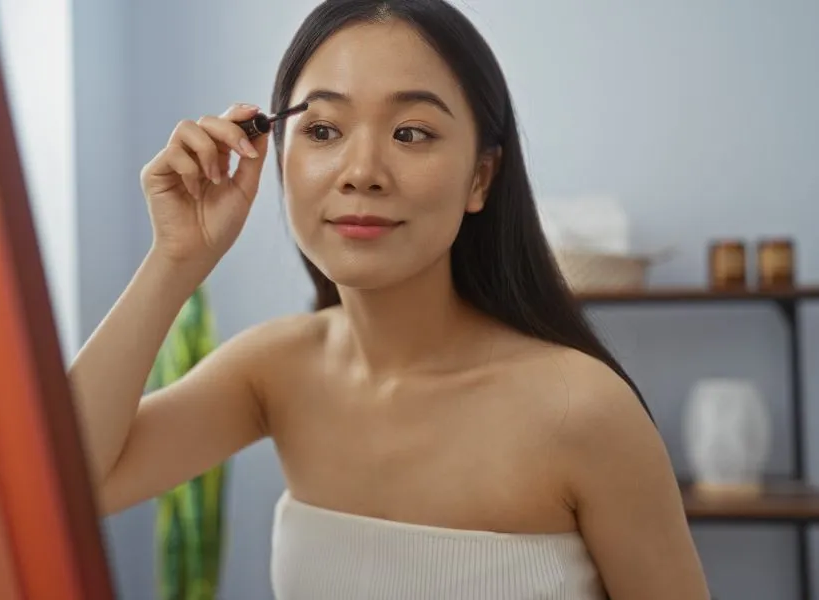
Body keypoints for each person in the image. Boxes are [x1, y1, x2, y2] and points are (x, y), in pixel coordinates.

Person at [69, 0, 711, 598]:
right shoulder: (275, 372)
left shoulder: (583, 411)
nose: (361, 170)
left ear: (480, 178)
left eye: (411, 133)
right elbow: (64, 488)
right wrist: (175, 260)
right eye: (322, 129)